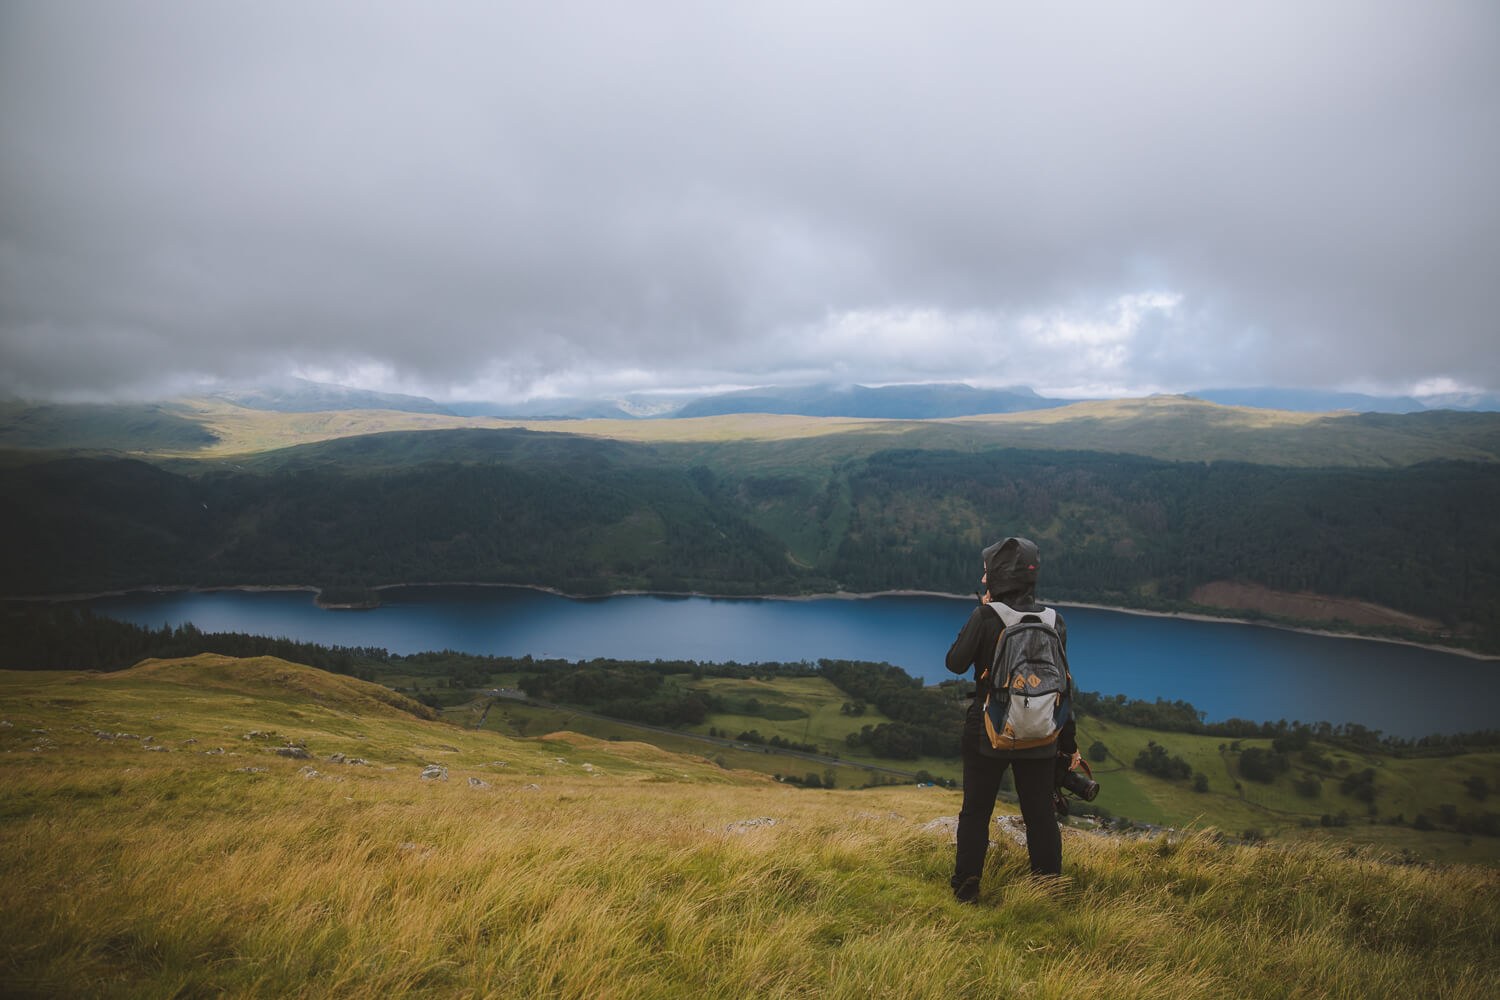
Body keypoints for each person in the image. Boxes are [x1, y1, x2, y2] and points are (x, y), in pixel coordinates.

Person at [945, 536, 1078, 902]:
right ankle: (1048, 892)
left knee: (976, 813)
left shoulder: (986, 616)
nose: (984, 579)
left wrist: (981, 616)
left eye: (988, 572)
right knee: (1040, 815)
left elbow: (955, 662)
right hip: (1041, 734)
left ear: (1001, 576)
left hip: (989, 731)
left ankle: (967, 889)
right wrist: (1068, 745)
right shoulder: (1054, 621)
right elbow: (1064, 686)